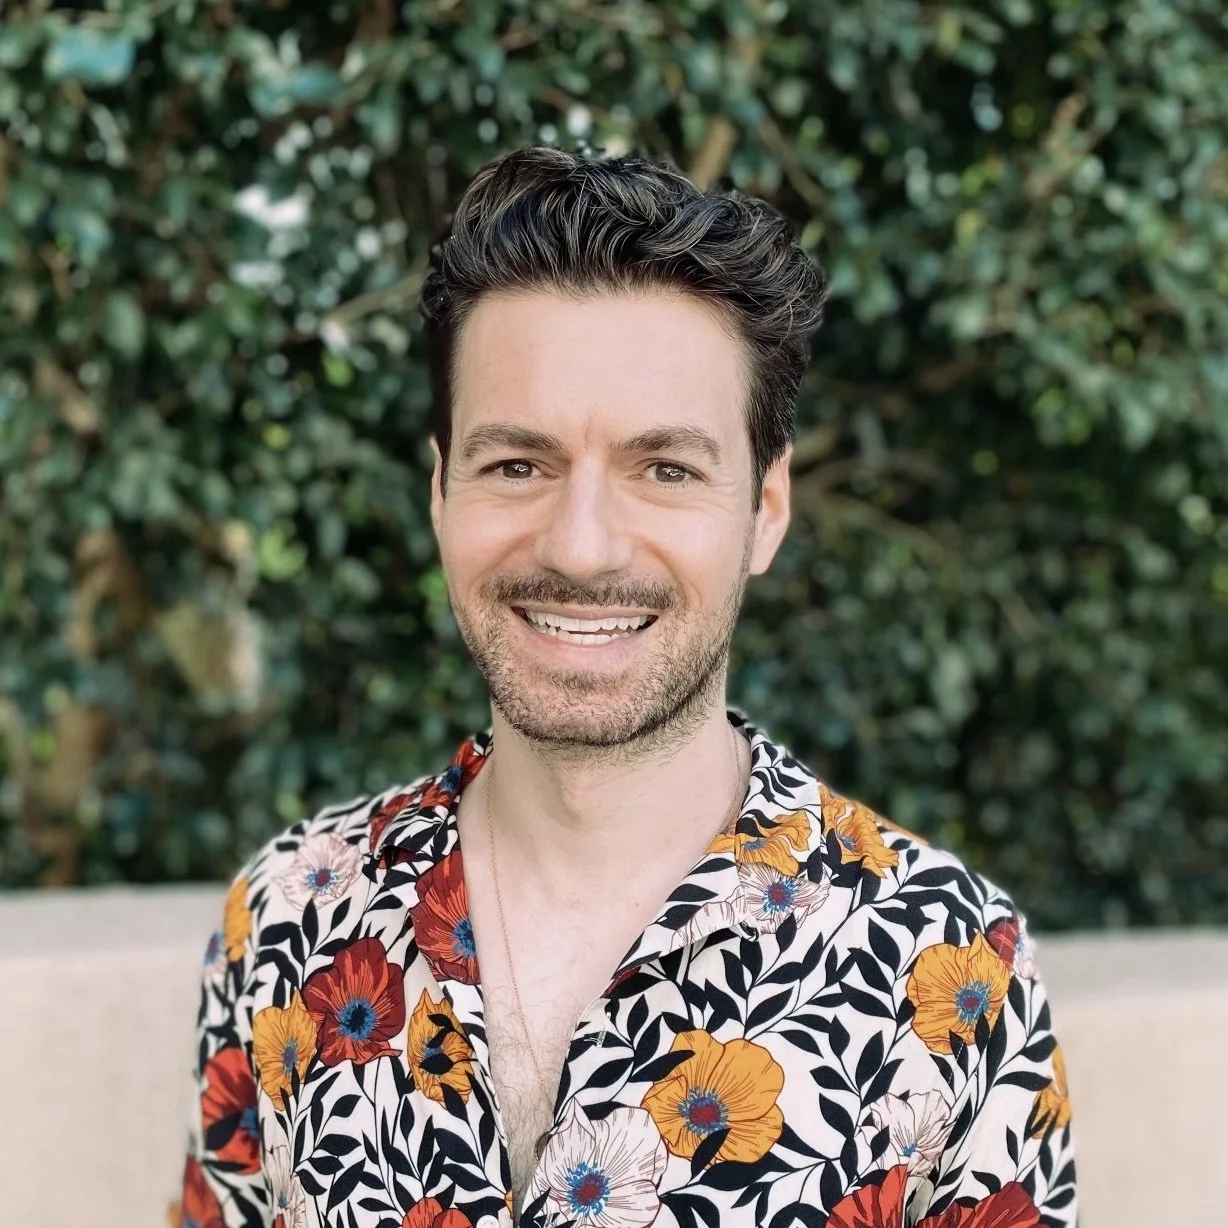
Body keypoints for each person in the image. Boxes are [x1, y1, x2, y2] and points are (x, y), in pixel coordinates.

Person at [178, 145, 1076, 1228]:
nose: (585, 545)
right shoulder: (285, 916)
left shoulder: (948, 969)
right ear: (439, 493)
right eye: (517, 462)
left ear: (767, 508)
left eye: (666, 468)